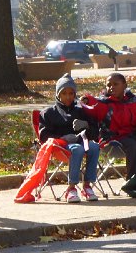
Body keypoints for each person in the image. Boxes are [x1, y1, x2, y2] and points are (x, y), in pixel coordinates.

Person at [81, 72, 136, 199]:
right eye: (109, 85)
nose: (112, 87)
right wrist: (87, 99)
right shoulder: (104, 104)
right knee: (133, 145)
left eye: (116, 84)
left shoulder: (133, 101)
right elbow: (91, 107)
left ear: (124, 85)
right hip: (111, 139)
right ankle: (132, 182)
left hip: (134, 135)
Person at [38, 74, 101, 203]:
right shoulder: (49, 113)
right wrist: (63, 138)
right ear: (58, 94)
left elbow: (95, 134)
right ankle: (71, 189)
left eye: (71, 93)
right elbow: (44, 136)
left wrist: (87, 125)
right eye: (64, 93)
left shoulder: (81, 111)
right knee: (77, 149)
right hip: (59, 146)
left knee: (94, 146)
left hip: (80, 142)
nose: (68, 97)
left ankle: (87, 186)